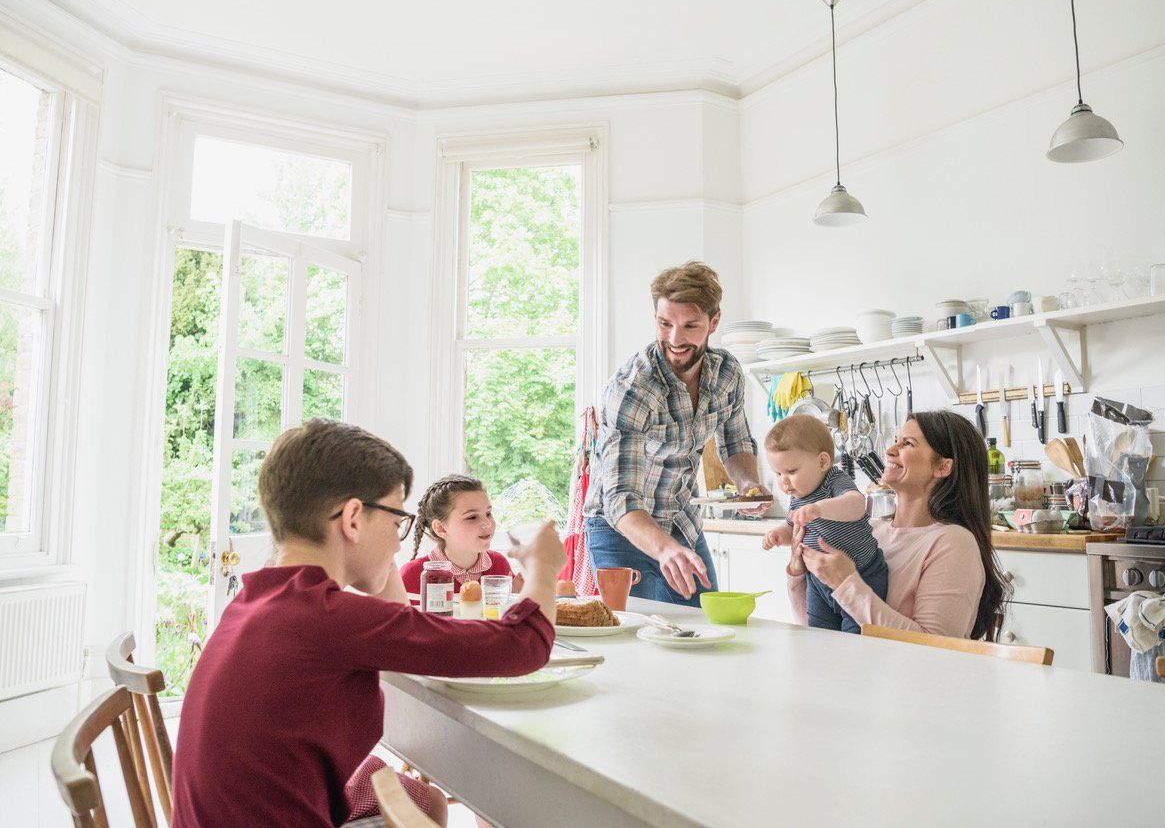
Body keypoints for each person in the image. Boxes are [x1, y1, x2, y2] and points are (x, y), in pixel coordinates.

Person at [170, 419, 564, 827]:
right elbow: (523, 646)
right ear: (353, 518)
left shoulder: (262, 600)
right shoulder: (328, 619)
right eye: (396, 522)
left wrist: (376, 567)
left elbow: (400, 622)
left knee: (420, 799)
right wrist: (543, 566)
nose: (398, 542)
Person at [584, 261, 770, 606]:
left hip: (681, 522)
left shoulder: (727, 373)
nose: (674, 339)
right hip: (620, 530)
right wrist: (666, 551)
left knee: (703, 629)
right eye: (664, 324)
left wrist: (748, 485)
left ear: (714, 323)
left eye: (690, 326)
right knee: (638, 640)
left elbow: (736, 442)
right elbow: (621, 497)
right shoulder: (633, 388)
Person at [784, 411, 1008, 640]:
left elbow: (937, 647)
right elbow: (814, 630)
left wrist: (845, 583)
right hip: (846, 670)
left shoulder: (953, 543)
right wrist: (798, 572)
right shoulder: (868, 530)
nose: (890, 451)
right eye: (895, 441)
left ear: (942, 467)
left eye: (908, 444)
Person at [761, 416, 887, 633]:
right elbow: (792, 528)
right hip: (818, 581)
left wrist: (819, 509)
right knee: (818, 636)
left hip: (861, 576)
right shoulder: (798, 493)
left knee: (855, 638)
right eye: (778, 473)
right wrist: (778, 534)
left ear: (822, 462)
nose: (784, 481)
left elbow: (857, 504)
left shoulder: (834, 480)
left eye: (791, 471)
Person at [400, 474, 523, 596]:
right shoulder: (412, 575)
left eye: (488, 513)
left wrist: (516, 595)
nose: (487, 524)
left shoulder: (499, 564)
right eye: (472, 517)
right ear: (441, 528)